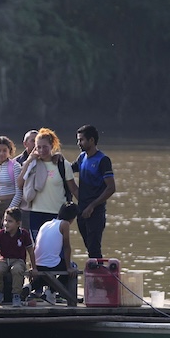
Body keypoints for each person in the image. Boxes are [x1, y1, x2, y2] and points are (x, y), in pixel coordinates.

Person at [17, 128, 78, 239]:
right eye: (38, 147)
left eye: (45, 147)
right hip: (35, 213)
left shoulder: (62, 164)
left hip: (57, 214)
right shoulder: (33, 164)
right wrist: (29, 160)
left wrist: (86, 206)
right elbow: (19, 184)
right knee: (38, 251)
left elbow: (73, 189)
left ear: (51, 146)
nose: (41, 150)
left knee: (58, 250)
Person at [73, 125, 116, 259]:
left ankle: (99, 277)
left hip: (95, 212)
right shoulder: (81, 158)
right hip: (81, 210)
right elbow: (67, 169)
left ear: (91, 140)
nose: (79, 143)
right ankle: (96, 274)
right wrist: (56, 159)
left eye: (81, 140)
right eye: (78, 140)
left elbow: (111, 188)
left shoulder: (103, 160)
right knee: (89, 247)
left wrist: (92, 206)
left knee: (94, 249)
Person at [32, 202, 78, 305]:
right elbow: (67, 247)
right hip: (50, 264)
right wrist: (69, 267)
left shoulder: (46, 224)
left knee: (46, 273)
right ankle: (51, 292)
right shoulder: (64, 224)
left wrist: (32, 265)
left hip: (38, 263)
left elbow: (36, 246)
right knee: (73, 266)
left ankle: (29, 287)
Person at [0, 207, 35, 307]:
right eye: (5, 220)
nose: (6, 223)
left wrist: (34, 267)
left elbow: (31, 252)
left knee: (17, 270)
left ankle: (16, 295)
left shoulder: (24, 234)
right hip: (4, 259)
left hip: (18, 260)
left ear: (18, 223)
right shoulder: (0, 234)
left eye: (10, 221)